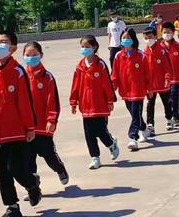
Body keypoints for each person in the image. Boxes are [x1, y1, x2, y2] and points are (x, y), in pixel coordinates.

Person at [0, 30, 41, 217]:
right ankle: (12, 206)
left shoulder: (18, 72)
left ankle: (31, 183)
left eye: (3, 42)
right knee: (2, 172)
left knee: (16, 169)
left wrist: (30, 127)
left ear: (12, 48)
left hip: (15, 130)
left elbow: (25, 102)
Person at [70, 35, 119, 169]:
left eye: (87, 47)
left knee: (100, 130)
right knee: (89, 133)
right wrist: (73, 101)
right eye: (82, 47)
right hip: (85, 105)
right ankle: (95, 157)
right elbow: (75, 84)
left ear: (94, 47)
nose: (84, 49)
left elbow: (107, 84)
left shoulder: (100, 64)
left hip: (100, 104)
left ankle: (111, 143)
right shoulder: (79, 66)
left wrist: (110, 99)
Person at [24, 41, 69, 185]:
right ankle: (32, 185)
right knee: (28, 158)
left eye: (34, 55)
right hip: (26, 127)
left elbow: (53, 100)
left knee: (48, 155)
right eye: (27, 55)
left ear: (41, 55)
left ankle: (60, 168)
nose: (31, 58)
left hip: (43, 125)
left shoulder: (47, 77)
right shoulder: (21, 76)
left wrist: (52, 119)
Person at [111, 28, 151, 151]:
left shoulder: (141, 55)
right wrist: (113, 87)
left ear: (133, 39)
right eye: (123, 38)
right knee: (135, 114)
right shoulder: (118, 55)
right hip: (125, 91)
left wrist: (149, 89)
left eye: (128, 38)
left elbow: (147, 74)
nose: (125, 40)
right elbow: (115, 74)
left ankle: (133, 138)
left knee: (135, 114)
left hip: (138, 91)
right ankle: (144, 128)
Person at [142, 27, 174, 134]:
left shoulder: (162, 50)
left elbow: (167, 67)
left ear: (156, 37)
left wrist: (167, 78)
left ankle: (169, 119)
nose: (148, 40)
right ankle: (150, 125)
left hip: (162, 83)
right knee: (150, 104)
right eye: (146, 38)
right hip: (151, 85)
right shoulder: (144, 52)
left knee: (167, 103)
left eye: (150, 37)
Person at [160, 22, 179, 126]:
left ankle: (176, 117)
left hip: (176, 76)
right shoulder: (159, 47)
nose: (166, 34)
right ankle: (177, 111)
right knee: (168, 98)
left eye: (169, 32)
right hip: (164, 78)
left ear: (173, 33)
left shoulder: (178, 46)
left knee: (174, 94)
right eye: (164, 32)